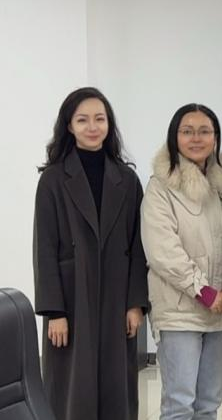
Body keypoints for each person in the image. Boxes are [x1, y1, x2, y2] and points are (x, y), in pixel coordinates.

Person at [33, 87, 148, 420]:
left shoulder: (127, 179)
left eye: (100, 118)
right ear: (69, 126)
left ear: (109, 124)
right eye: (82, 120)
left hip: (116, 296)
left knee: (116, 387)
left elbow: (138, 246)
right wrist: (54, 312)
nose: (92, 126)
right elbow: (44, 248)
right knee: (73, 389)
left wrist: (135, 303)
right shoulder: (53, 179)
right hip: (71, 299)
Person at [142, 103, 222, 418]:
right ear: (175, 137)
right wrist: (203, 291)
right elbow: (162, 250)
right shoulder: (161, 186)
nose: (196, 138)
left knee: (208, 405)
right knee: (179, 404)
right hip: (179, 311)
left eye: (204, 131)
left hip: (221, 311)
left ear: (216, 137)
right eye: (187, 131)